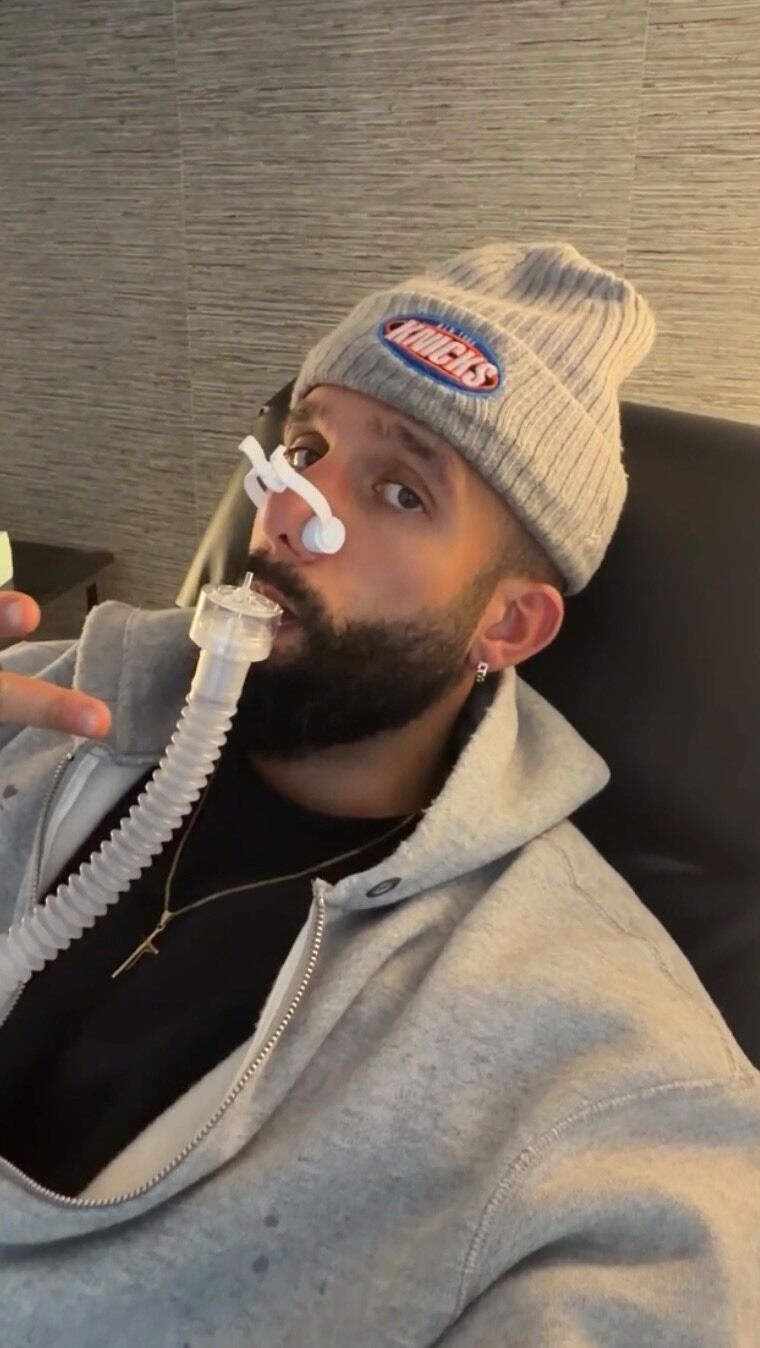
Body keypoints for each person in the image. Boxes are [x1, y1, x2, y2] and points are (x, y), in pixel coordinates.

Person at [0, 240, 757, 1347]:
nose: (290, 512)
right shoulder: (49, 708)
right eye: (305, 448)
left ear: (509, 623)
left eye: (400, 491)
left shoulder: (598, 1067)